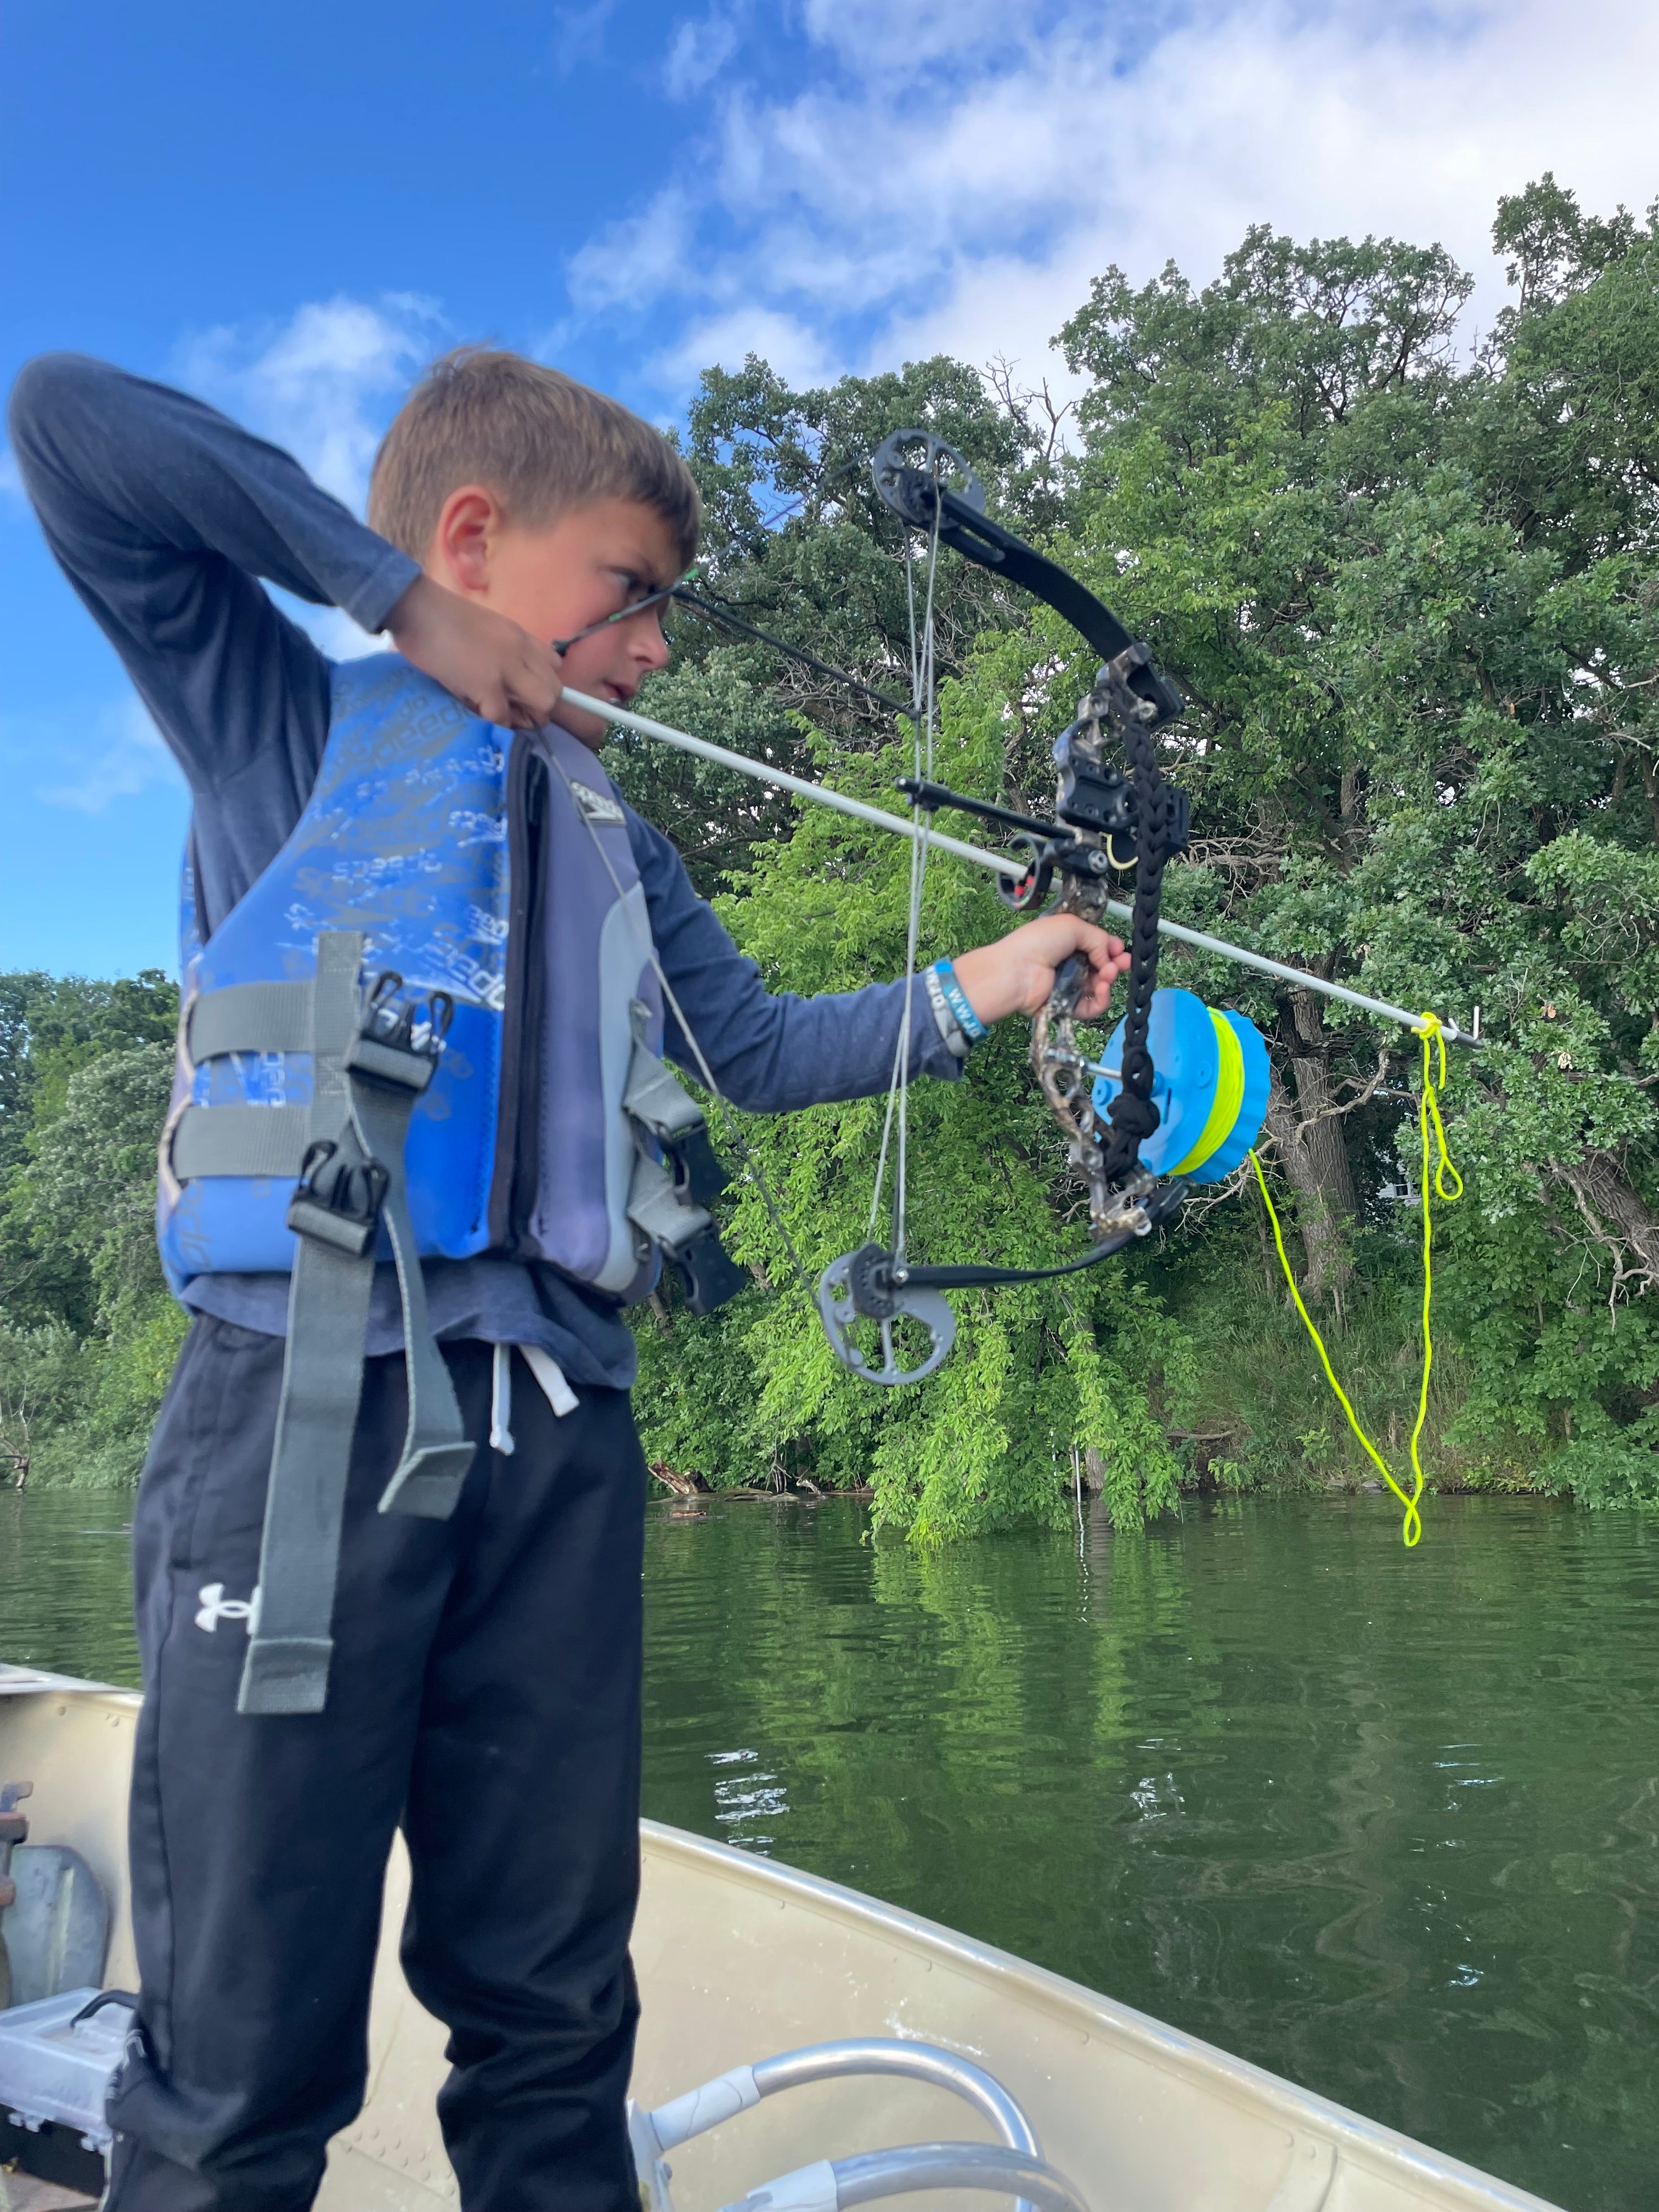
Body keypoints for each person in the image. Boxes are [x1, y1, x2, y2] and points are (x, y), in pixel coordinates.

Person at [8, 347, 1131, 2212]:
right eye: (633, 595)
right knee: (246, 2052)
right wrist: (391, 601)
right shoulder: (272, 717)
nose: (658, 648)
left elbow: (755, 1047)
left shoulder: (621, 835)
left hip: (559, 1443)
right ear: (474, 542)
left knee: (553, 2018)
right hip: (301, 1424)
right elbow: (64, 419)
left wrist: (987, 981)